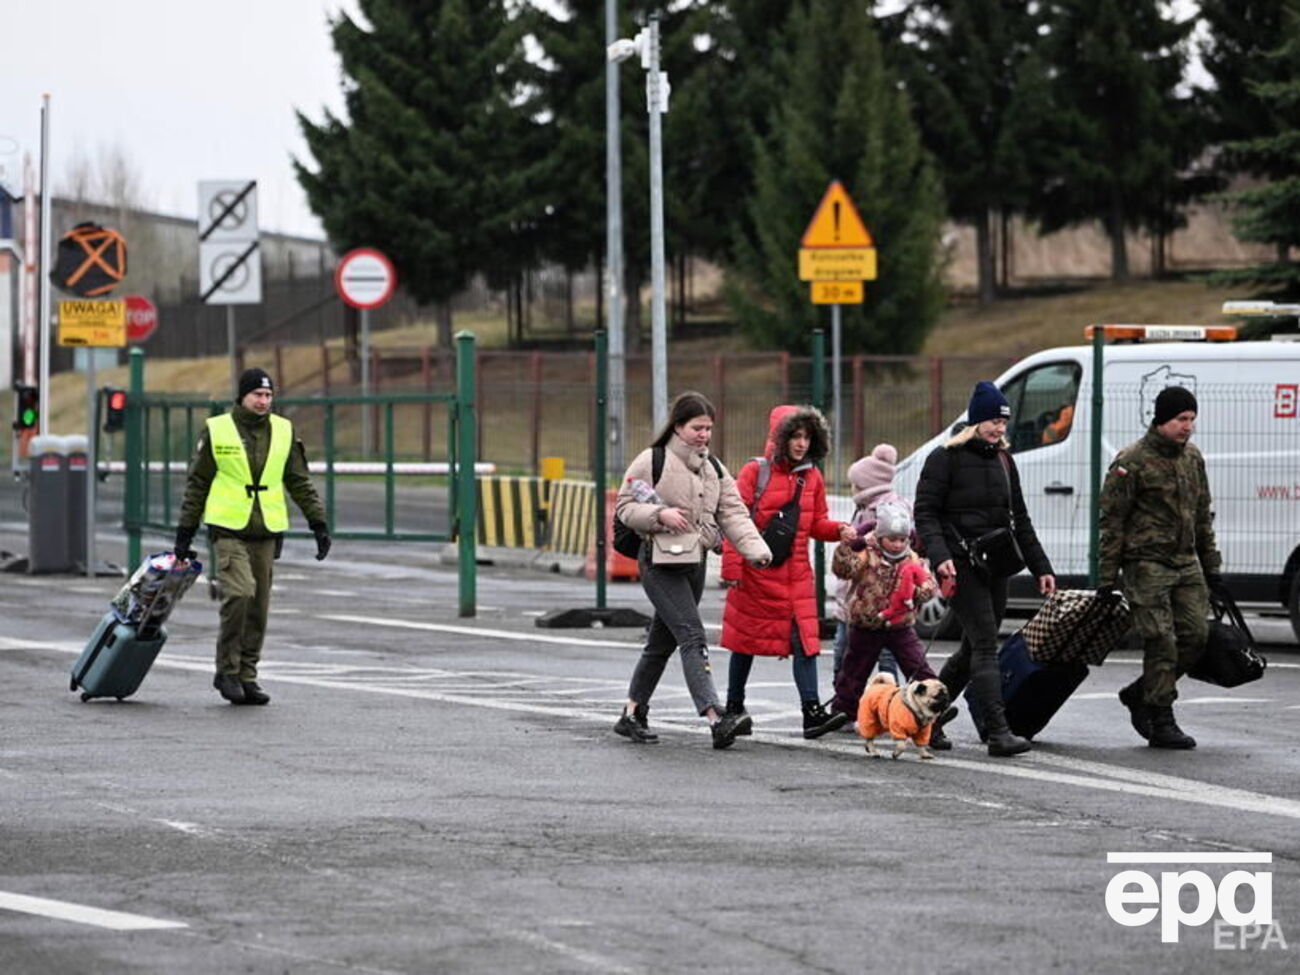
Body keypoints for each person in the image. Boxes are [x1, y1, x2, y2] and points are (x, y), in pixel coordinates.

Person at [612, 391, 771, 749]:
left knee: (661, 643)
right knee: (692, 635)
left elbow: (733, 512)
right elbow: (625, 506)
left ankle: (632, 713)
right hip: (659, 562)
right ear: (678, 426)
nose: (704, 435)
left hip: (694, 561)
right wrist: (659, 514)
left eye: (708, 428)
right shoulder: (652, 460)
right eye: (697, 428)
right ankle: (715, 716)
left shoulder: (713, 467)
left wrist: (758, 551)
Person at [914, 381, 1056, 756]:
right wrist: (940, 556)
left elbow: (1020, 519)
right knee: (985, 645)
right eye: (993, 421)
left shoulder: (1004, 461)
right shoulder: (944, 458)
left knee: (971, 649)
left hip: (996, 565)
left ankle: (928, 719)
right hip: (960, 566)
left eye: (1004, 422)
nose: (999, 428)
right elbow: (925, 513)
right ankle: (998, 732)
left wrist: (1041, 567)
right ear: (976, 421)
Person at [174, 368, 331, 706]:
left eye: (268, 395)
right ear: (242, 397)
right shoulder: (218, 430)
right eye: (257, 395)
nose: (263, 401)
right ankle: (226, 671)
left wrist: (318, 523)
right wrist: (185, 532)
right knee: (241, 593)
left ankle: (247, 675)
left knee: (259, 606)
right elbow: (198, 484)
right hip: (228, 529)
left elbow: (299, 481)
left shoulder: (284, 431)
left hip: (266, 530)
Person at [719, 405, 854, 739]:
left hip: (797, 578)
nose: (801, 443)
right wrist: (732, 567)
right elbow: (734, 521)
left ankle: (811, 713)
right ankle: (734, 707)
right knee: (745, 641)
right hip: (757, 573)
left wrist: (839, 530)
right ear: (780, 438)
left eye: (807, 437)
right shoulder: (755, 472)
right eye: (795, 436)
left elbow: (816, 523)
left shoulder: (813, 477)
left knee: (805, 643)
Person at [1099, 385, 1220, 750]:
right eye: (1181, 419)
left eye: (1192, 419)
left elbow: (1202, 515)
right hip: (1146, 564)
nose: (1188, 426)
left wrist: (1212, 567)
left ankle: (1141, 692)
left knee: (1195, 636)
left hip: (1186, 562)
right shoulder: (1132, 461)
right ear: (1162, 419)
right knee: (1160, 639)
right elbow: (1112, 521)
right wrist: (1107, 578)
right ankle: (1161, 717)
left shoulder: (1192, 458)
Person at [828, 500, 941, 722]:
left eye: (902, 540)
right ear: (880, 538)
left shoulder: (912, 559)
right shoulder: (867, 555)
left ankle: (934, 714)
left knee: (918, 667)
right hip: (866, 624)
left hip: (900, 625)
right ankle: (843, 712)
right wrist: (847, 546)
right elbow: (843, 569)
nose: (898, 545)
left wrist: (918, 592)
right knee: (853, 671)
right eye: (892, 539)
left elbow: (928, 584)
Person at [832, 444, 906, 682]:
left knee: (849, 653)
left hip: (870, 595)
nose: (852, 488)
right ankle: (883, 697)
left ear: (866, 484)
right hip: (869, 597)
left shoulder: (883, 512)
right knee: (881, 655)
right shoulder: (867, 508)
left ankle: (847, 695)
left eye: (855, 483)